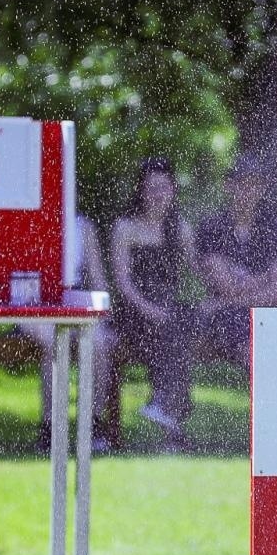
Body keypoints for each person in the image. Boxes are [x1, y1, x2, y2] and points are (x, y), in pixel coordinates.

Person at [108, 157, 197, 451]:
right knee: (172, 330)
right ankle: (172, 419)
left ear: (173, 190)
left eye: (164, 187)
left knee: (182, 326)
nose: (158, 194)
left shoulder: (182, 229)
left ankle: (164, 408)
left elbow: (196, 273)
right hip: (133, 310)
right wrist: (151, 311)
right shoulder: (125, 227)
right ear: (141, 192)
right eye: (151, 188)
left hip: (166, 311)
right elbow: (123, 283)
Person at [19, 212, 119, 452]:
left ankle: (93, 424)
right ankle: (50, 427)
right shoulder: (26, 218)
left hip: (71, 301)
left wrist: (107, 316)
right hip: (30, 301)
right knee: (54, 341)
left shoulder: (82, 226)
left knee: (100, 344)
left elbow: (96, 277)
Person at [191, 155, 277, 371]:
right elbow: (226, 287)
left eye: (254, 185)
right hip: (223, 320)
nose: (247, 192)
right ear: (228, 186)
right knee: (234, 320)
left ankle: (264, 380)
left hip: (263, 316)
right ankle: (265, 383)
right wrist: (265, 278)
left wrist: (228, 299)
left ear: (262, 189)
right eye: (242, 184)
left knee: (241, 319)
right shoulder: (212, 228)